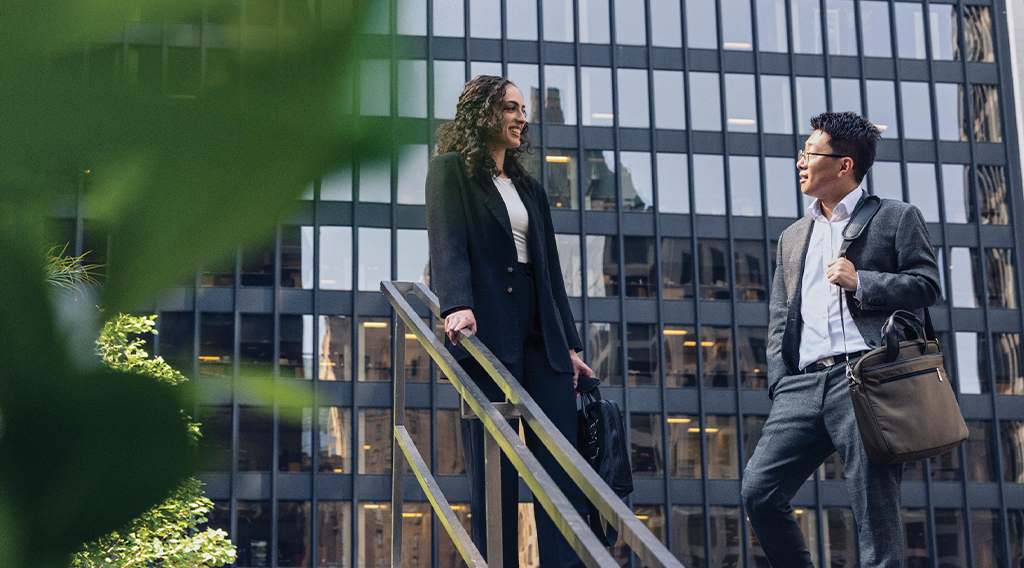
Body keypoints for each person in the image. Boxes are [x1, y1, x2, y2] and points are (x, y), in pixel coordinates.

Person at [742, 111, 941, 567]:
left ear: (844, 164)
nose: (800, 162)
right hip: (801, 386)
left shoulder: (896, 217)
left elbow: (927, 284)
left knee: (875, 514)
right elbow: (779, 316)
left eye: (809, 153)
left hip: (866, 377)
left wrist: (863, 281)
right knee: (759, 492)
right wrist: (779, 379)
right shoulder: (792, 238)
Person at [424, 75, 592, 568]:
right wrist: (455, 303)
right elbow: (446, 242)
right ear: (484, 113)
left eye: (523, 109)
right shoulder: (450, 171)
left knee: (560, 468)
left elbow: (551, 272)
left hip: (543, 333)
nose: (522, 118)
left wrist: (573, 346)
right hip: (488, 326)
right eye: (511, 108)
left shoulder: (530, 188)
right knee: (493, 469)